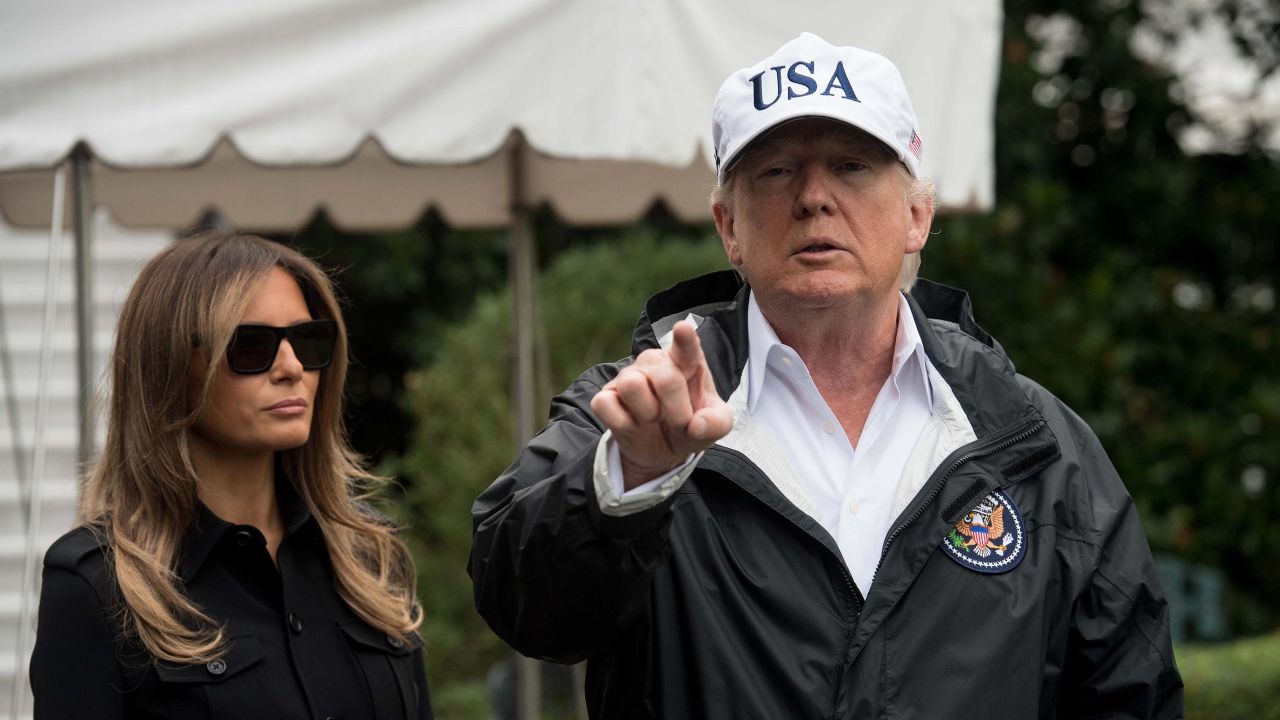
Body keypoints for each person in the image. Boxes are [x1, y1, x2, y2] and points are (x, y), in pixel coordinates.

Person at [470, 32, 1183, 719]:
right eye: (776, 171)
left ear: (915, 216)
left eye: (851, 166)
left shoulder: (1036, 444)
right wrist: (629, 480)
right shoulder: (634, 412)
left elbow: (1129, 694)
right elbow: (524, 606)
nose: (813, 197)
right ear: (729, 227)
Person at [30, 231, 433, 720]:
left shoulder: (370, 554)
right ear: (171, 369)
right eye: (250, 346)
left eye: (308, 340)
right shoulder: (99, 585)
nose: (291, 367)